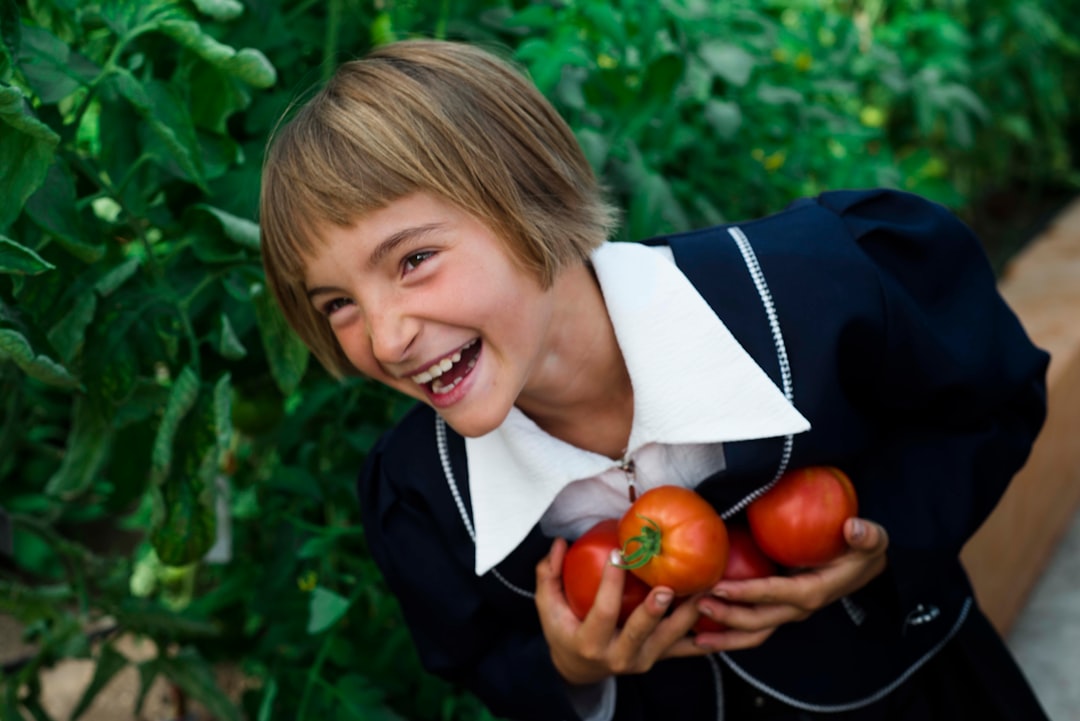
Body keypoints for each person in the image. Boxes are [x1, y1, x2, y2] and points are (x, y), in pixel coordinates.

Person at [258, 39, 1051, 721]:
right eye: (338, 303)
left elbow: (988, 399)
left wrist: (889, 538)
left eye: (413, 260)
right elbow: (478, 659)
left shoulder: (819, 290)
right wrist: (570, 668)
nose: (388, 337)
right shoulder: (425, 493)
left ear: (530, 198)